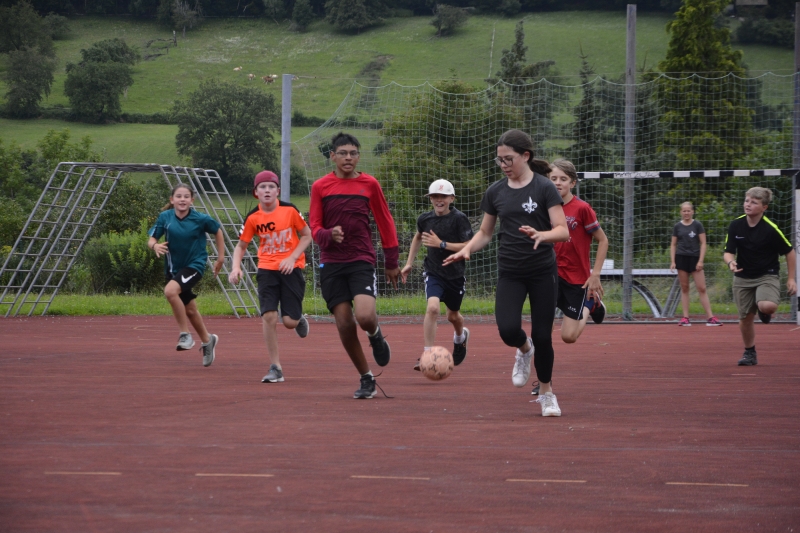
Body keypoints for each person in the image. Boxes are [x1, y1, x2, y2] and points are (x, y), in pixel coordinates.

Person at [444, 129, 569, 417]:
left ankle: (547, 393)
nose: (503, 165)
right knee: (508, 329)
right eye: (499, 160)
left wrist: (542, 235)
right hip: (511, 272)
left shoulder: (544, 187)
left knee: (543, 335)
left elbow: (562, 230)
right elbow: (485, 233)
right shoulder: (496, 191)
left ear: (526, 156)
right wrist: (467, 249)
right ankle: (524, 350)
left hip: (542, 272)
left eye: (508, 159)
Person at [309, 132, 401, 399]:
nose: (348, 158)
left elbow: (385, 222)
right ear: (332, 156)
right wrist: (328, 235)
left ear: (358, 157)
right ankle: (366, 377)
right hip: (332, 263)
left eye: (353, 153)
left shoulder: (369, 184)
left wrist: (391, 261)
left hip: (361, 259)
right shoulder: (320, 187)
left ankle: (375, 334)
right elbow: (314, 226)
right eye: (342, 153)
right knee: (344, 323)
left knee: (365, 317)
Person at [228, 171, 312, 383]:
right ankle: (275, 367)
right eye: (262, 187)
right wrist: (235, 268)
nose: (267, 190)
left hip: (291, 268)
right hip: (266, 269)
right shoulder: (253, 217)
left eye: (271, 187)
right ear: (256, 192)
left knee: (289, 322)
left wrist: (292, 258)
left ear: (278, 191)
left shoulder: (289, 210)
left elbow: (307, 235)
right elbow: (241, 246)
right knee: (269, 316)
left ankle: (298, 319)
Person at [400, 179, 474, 371]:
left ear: (452, 198)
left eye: (443, 196)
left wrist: (441, 244)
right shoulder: (425, 219)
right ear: (430, 199)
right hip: (433, 272)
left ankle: (460, 337)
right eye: (435, 196)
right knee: (432, 308)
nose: (439, 200)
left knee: (453, 316)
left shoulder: (459, 219)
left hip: (455, 274)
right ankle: (428, 355)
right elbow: (418, 237)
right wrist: (409, 263)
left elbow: (469, 245)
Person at [148, 183, 225, 367]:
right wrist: (155, 246)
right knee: (189, 310)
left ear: (192, 200)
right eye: (179, 196)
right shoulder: (165, 217)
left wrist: (220, 258)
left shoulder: (200, 219)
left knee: (170, 291)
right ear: (172, 199)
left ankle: (185, 335)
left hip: (194, 266)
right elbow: (152, 239)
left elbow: (217, 230)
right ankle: (208, 340)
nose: (182, 199)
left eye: (186, 196)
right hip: (173, 269)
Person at [723, 187, 796, 366]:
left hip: (766, 275)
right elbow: (728, 252)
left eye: (754, 202)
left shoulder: (771, 229)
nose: (748, 205)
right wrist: (730, 262)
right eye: (747, 200)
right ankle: (750, 353)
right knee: (745, 319)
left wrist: (791, 279)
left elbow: (790, 252)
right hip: (742, 276)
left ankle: (763, 309)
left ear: (764, 207)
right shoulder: (736, 225)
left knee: (768, 306)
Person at [670, 201, 721, 326]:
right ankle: (685, 318)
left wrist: (700, 260)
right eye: (684, 211)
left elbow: (703, 243)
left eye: (688, 210)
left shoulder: (697, 225)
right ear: (681, 212)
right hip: (681, 258)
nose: (686, 213)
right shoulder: (677, 226)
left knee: (701, 288)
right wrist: (673, 261)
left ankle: (710, 317)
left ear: (692, 212)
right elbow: (673, 244)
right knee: (684, 288)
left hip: (695, 258)